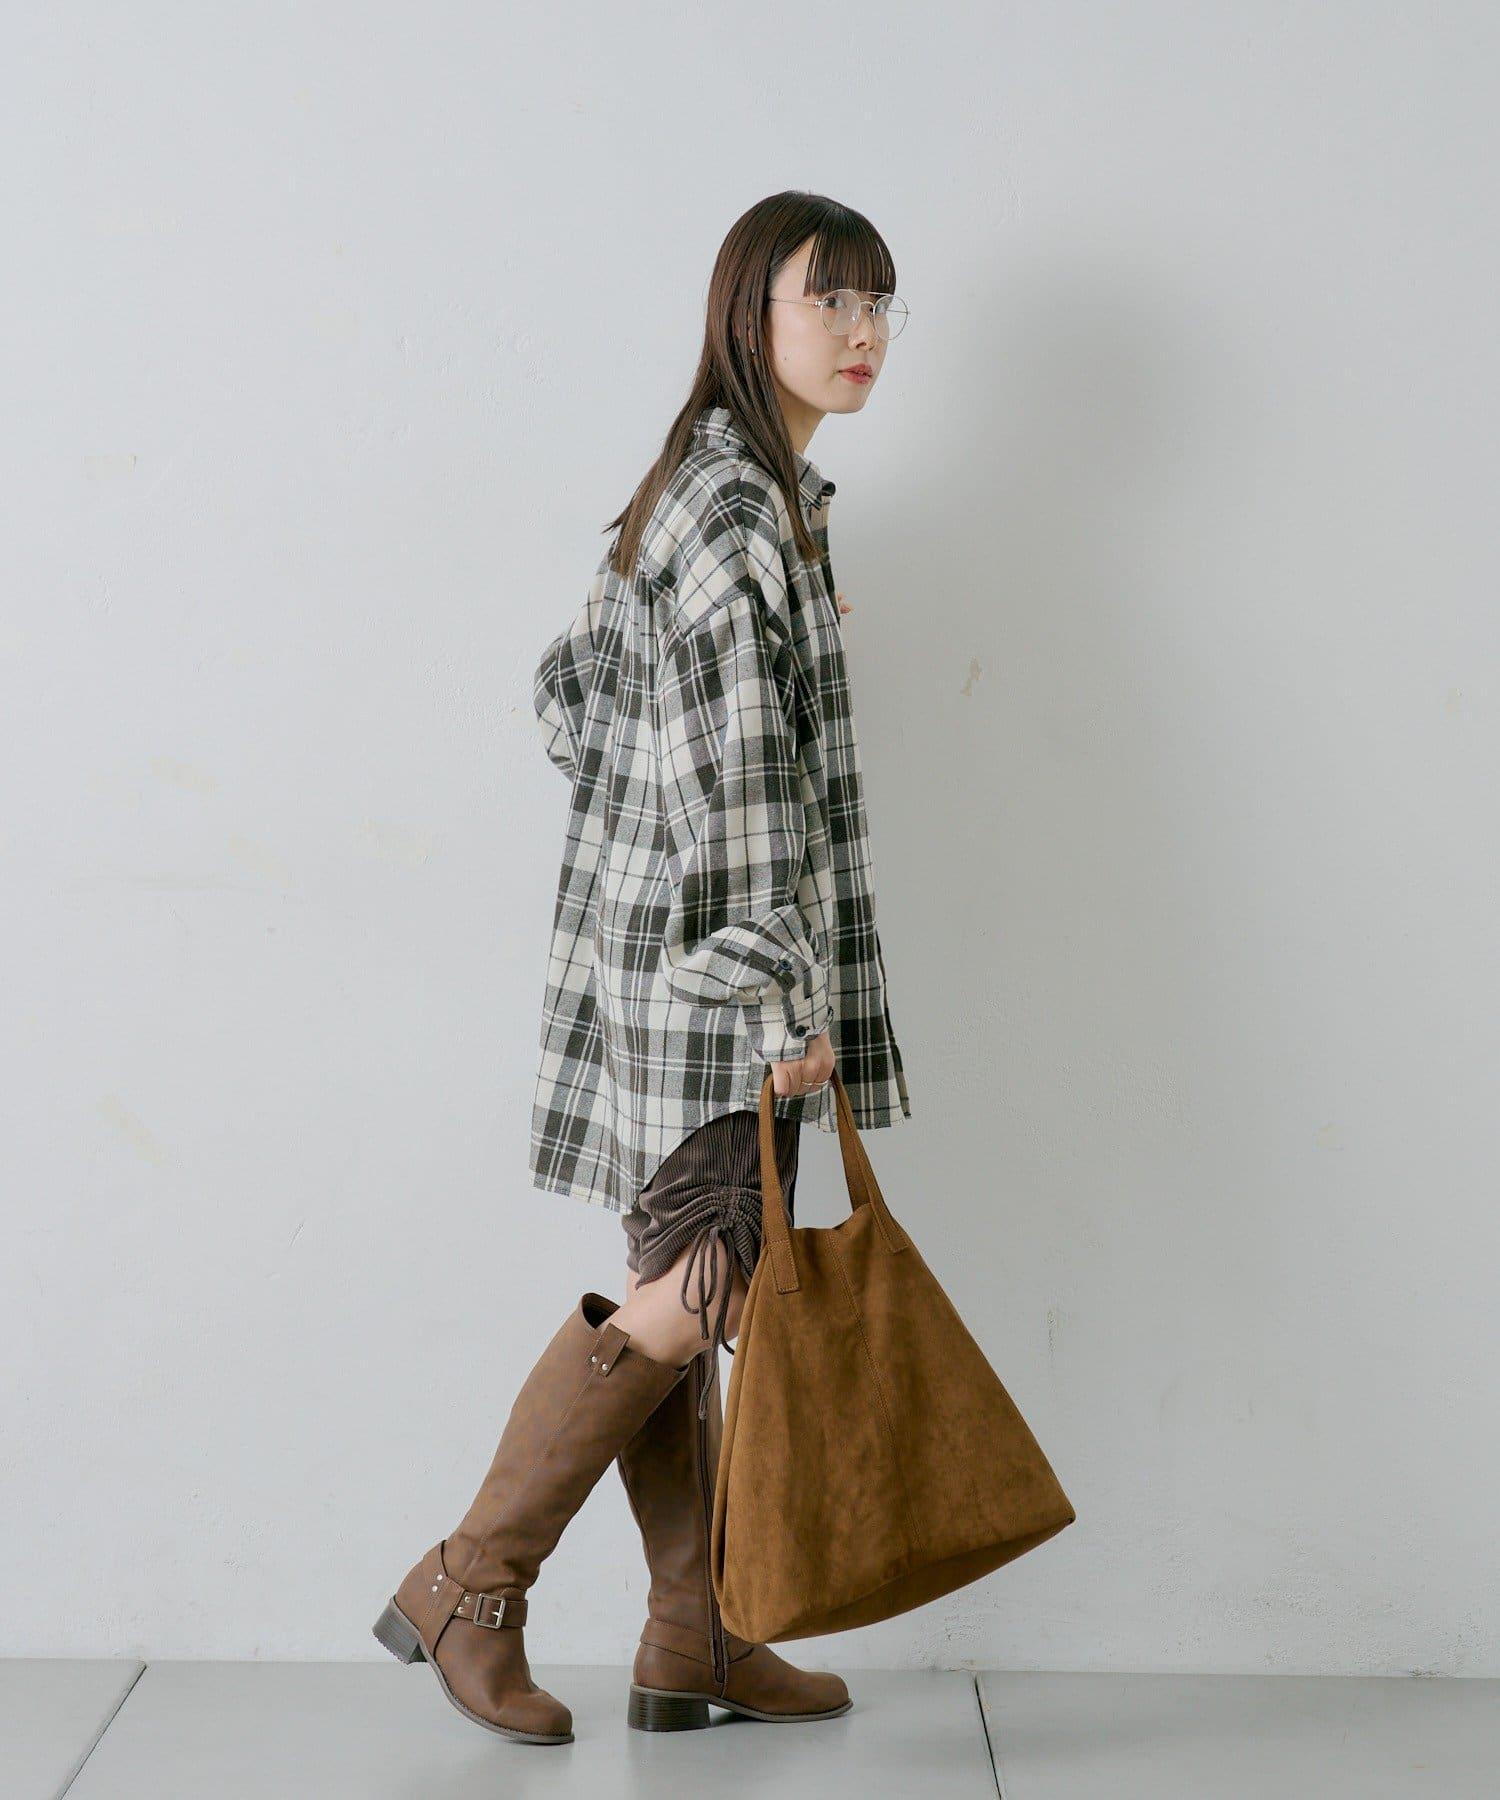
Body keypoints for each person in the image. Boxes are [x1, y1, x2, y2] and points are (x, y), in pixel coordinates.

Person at [373, 190, 912, 1746]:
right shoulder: (737, 511)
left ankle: (700, 1636)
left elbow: (575, 697)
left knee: (690, 1292)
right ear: (752, 315)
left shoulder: (730, 493)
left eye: (880, 304)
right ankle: (472, 1581)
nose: (864, 333)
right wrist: (778, 989)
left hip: (649, 970)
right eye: (830, 301)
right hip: (713, 986)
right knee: (691, 1292)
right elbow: (735, 782)